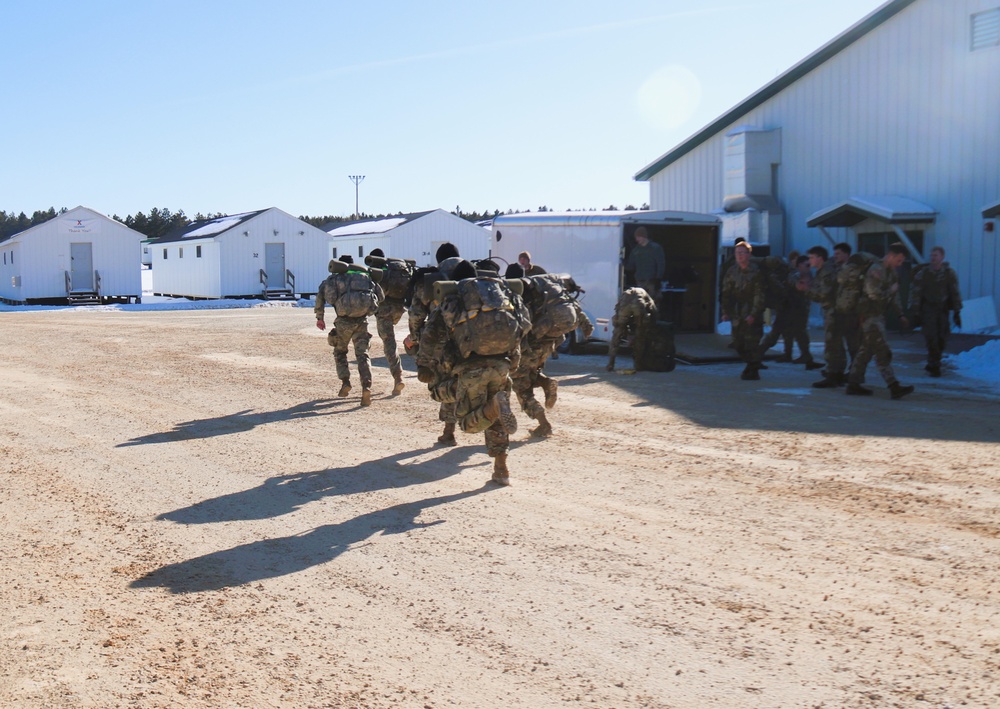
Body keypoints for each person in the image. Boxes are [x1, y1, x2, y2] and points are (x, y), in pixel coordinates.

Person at [417, 260, 531, 485]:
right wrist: (514, 363)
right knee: (496, 417)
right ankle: (501, 468)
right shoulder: (500, 297)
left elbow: (431, 336)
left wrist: (424, 364)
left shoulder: (453, 300)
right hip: (502, 365)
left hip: (470, 368)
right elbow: (524, 326)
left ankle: (493, 406)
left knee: (468, 423)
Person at [514, 272, 593, 437]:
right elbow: (573, 304)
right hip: (553, 340)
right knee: (530, 370)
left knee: (520, 383)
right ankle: (545, 382)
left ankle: (544, 424)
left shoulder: (522, 293)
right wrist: (586, 324)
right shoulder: (550, 285)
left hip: (538, 340)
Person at [405, 242, 464, 444]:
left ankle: (449, 431)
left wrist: (415, 339)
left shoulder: (431, 280)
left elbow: (416, 315)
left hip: (442, 342)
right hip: (473, 339)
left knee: (442, 384)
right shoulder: (473, 274)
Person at [845, 243, 914, 399]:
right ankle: (893, 386)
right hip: (869, 316)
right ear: (890, 255)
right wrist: (890, 290)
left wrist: (900, 315)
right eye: (899, 260)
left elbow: (894, 297)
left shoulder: (891, 273)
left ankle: (853, 383)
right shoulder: (876, 270)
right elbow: (873, 294)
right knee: (882, 351)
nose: (900, 263)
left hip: (878, 315)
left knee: (866, 351)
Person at [314, 258, 384, 406]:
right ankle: (366, 387)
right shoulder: (365, 277)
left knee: (340, 352)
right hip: (361, 321)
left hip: (343, 322)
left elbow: (321, 297)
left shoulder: (333, 278)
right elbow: (381, 297)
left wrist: (320, 318)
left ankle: (346, 382)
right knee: (362, 355)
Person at [760, 255, 823, 370]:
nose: (809, 267)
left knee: (801, 334)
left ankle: (807, 358)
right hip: (786, 310)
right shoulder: (795, 275)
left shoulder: (809, 276)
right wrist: (801, 286)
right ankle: (756, 357)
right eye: (806, 265)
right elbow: (795, 284)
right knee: (774, 335)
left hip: (799, 311)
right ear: (799, 266)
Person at [365, 247, 414, 395]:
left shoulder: (378, 272)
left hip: (385, 309)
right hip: (400, 307)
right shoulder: (396, 268)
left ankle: (398, 377)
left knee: (389, 343)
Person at [908, 246, 962, 377]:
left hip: (942, 310)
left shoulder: (949, 273)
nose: (933, 258)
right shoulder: (924, 273)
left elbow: (954, 292)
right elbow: (916, 292)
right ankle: (934, 364)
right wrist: (915, 312)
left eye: (936, 255)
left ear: (942, 257)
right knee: (931, 337)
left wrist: (957, 311)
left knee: (942, 338)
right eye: (932, 255)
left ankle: (933, 361)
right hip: (928, 310)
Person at [805, 245, 851, 388]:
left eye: (812, 257)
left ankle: (833, 374)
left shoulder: (826, 272)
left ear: (820, 258)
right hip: (834, 311)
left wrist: (807, 289)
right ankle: (837, 372)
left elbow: (824, 294)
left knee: (832, 344)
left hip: (833, 311)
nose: (809, 260)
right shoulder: (823, 271)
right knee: (836, 344)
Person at [721, 241, 765, 380]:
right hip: (737, 311)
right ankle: (751, 364)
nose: (739, 256)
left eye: (742, 253)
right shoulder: (732, 271)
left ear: (749, 254)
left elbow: (760, 294)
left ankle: (752, 369)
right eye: (737, 253)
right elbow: (726, 292)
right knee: (738, 343)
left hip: (752, 310)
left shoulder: (756, 272)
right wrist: (725, 311)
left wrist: (754, 314)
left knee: (752, 342)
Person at [606, 287, 658, 372]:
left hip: (624, 306)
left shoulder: (626, 293)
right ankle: (638, 364)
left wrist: (620, 325)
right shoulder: (645, 294)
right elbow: (654, 310)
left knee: (617, 334)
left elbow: (618, 308)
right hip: (638, 304)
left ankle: (611, 363)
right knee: (640, 336)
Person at [624, 226, 665, 307]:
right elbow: (630, 266)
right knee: (641, 305)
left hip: (651, 281)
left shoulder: (655, 248)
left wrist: (658, 279)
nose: (637, 239)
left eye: (638, 237)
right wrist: (623, 263)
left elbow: (661, 264)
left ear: (643, 236)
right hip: (639, 282)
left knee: (653, 304)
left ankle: (654, 318)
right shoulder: (636, 250)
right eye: (636, 237)